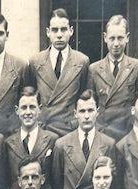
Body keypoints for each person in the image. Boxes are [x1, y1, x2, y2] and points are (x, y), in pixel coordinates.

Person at [26, 8, 90, 137]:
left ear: (71, 31)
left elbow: (83, 96)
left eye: (63, 29)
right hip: (44, 130)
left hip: (69, 130)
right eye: (55, 30)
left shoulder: (82, 61)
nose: (59, 35)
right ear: (48, 32)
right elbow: (31, 96)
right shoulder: (35, 61)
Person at [51, 91, 116, 189]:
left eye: (90, 110)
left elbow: (113, 185)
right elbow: (57, 184)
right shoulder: (61, 144)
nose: (86, 116)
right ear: (75, 113)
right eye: (82, 111)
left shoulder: (108, 144)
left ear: (97, 111)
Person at [87, 15, 138, 141]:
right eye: (112, 38)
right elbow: (91, 105)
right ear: (105, 38)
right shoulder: (94, 69)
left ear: (127, 38)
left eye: (120, 38)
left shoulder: (136, 66)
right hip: (103, 133)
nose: (116, 44)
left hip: (127, 134)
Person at [4, 87, 57, 189]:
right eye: (24, 108)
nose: (28, 112)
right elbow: (5, 180)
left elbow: (56, 179)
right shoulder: (8, 143)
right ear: (17, 110)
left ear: (39, 109)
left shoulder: (52, 140)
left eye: (32, 107)